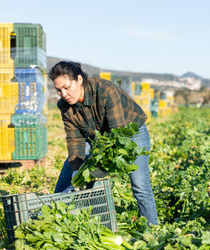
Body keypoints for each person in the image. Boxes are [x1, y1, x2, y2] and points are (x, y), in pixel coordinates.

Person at [49, 61, 158, 225]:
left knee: (140, 185)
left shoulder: (105, 90)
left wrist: (98, 169)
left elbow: (117, 134)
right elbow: (74, 139)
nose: (64, 94)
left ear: (79, 79)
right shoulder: (65, 106)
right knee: (71, 169)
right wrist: (78, 170)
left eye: (66, 87)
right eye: (58, 90)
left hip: (129, 132)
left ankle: (153, 229)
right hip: (98, 137)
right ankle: (55, 215)